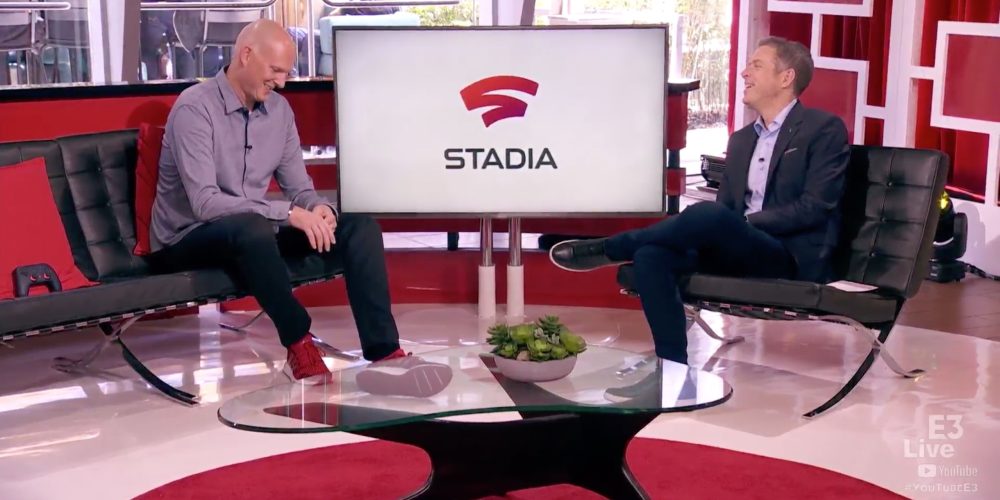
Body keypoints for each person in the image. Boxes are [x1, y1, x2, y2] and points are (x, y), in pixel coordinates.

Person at [148, 20, 449, 392]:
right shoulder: (195, 108)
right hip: (186, 237)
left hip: (251, 236)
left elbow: (299, 188)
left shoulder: (279, 112)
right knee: (252, 226)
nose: (282, 83)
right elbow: (205, 203)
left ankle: (385, 351)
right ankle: (299, 344)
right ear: (246, 55)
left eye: (286, 73)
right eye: (275, 71)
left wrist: (319, 210)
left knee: (358, 226)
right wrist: (289, 214)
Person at [549, 36, 851, 366]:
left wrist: (743, 224)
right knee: (651, 256)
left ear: (786, 78)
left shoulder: (822, 129)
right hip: (737, 248)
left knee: (710, 215)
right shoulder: (741, 140)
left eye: (756, 65)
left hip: (787, 255)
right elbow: (725, 211)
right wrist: (731, 226)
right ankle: (671, 366)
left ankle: (611, 248)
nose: (744, 73)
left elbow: (814, 207)